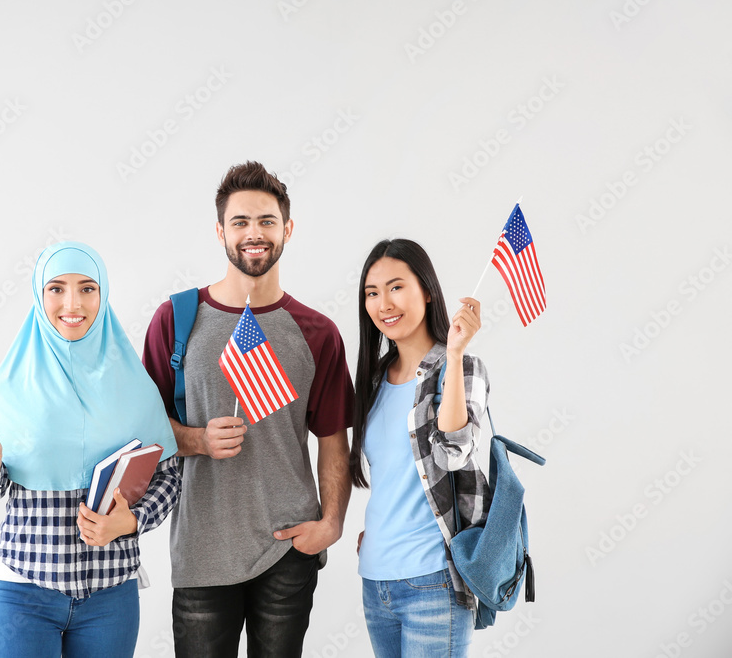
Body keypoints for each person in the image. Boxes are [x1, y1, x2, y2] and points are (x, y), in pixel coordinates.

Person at [141, 161, 354, 657]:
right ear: (220, 232)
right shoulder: (175, 318)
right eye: (240, 222)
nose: (253, 234)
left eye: (265, 221)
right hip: (201, 552)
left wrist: (332, 522)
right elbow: (141, 432)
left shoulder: (317, 332)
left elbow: (332, 442)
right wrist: (197, 440)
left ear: (287, 230)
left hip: (287, 549)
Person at [0, 240, 180, 658]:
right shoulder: (9, 382)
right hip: (25, 589)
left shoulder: (134, 383)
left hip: (110, 593)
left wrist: (132, 521)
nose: (72, 302)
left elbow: (169, 477)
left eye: (87, 288)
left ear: (104, 294)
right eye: (56, 288)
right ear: (39, 296)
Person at [350, 238, 491, 657]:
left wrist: (453, 351)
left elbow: (453, 451)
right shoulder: (374, 380)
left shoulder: (463, 367)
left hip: (433, 580)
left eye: (396, 287)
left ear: (426, 291)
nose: (383, 304)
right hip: (377, 581)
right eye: (372, 293)